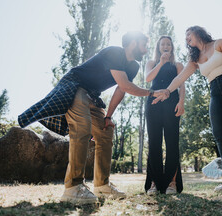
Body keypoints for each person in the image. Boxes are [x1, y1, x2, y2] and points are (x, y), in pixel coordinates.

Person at [18, 31, 166, 204]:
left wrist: (108, 117)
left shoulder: (133, 66)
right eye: (144, 44)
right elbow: (126, 85)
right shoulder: (115, 52)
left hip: (92, 96)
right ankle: (73, 187)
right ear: (133, 43)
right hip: (75, 86)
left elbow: (121, 90)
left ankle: (102, 185)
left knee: (105, 132)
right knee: (82, 127)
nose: (147, 49)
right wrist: (152, 93)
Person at [153, 26, 222, 198]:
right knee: (219, 135)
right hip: (215, 92)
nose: (187, 37)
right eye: (185, 36)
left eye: (189, 33)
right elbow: (180, 78)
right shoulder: (195, 59)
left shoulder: (219, 43)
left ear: (199, 33)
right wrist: (167, 91)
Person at [144, 36, 185, 195]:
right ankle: (154, 183)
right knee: (154, 142)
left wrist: (181, 102)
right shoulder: (151, 63)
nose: (166, 46)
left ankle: (172, 183)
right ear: (159, 47)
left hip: (172, 103)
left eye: (168, 44)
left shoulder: (178, 65)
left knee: (172, 142)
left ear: (172, 47)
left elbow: (182, 85)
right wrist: (161, 62)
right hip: (153, 103)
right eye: (163, 44)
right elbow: (148, 78)